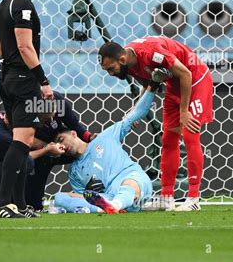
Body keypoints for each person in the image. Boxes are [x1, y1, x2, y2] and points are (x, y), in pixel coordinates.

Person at [98, 36, 213, 211]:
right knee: (168, 140)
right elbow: (149, 85)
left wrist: (184, 112)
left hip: (195, 81)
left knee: (190, 135)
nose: (111, 74)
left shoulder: (152, 53)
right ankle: (166, 197)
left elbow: (185, 74)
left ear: (122, 59)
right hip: (174, 86)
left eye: (111, 69)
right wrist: (135, 110)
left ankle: (193, 198)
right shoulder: (129, 64)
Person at [0, 92, 95, 212]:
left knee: (32, 162)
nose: (51, 121)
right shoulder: (2, 136)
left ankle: (24, 202)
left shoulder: (13, 118)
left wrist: (90, 138)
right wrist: (46, 149)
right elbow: (23, 156)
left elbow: (73, 122)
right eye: (45, 120)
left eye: (52, 117)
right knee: (25, 162)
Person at [0, 0, 51, 218]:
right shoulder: (24, 4)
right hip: (22, 79)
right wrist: (43, 81)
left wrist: (9, 75)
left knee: (21, 141)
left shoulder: (4, 4)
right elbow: (25, 46)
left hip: (6, 76)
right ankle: (3, 203)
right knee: (24, 140)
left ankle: (20, 205)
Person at [53, 83, 162, 214]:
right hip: (109, 196)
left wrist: (152, 87)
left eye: (61, 140)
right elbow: (86, 196)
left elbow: (138, 113)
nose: (62, 146)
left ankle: (115, 205)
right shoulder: (74, 172)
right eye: (59, 145)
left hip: (131, 180)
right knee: (59, 198)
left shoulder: (106, 136)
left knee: (130, 183)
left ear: (73, 133)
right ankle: (107, 207)